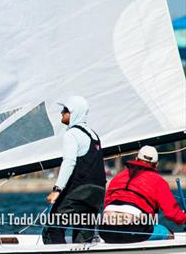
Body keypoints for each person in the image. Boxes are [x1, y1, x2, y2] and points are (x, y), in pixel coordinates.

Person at [42, 96, 106, 244]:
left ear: (73, 112)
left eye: (65, 110)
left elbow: (69, 162)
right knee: (84, 234)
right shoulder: (94, 135)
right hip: (97, 192)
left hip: (79, 192)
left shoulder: (71, 134)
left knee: (53, 229)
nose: (61, 113)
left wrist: (57, 190)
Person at [100, 145, 186, 243]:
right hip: (133, 229)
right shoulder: (158, 181)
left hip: (105, 231)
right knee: (168, 234)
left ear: (136, 158)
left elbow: (107, 203)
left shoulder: (117, 177)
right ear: (156, 165)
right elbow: (173, 213)